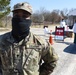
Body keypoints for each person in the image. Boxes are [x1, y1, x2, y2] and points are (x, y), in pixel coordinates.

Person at [0, 2, 58, 75]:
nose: (20, 19)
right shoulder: (1, 41)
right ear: (13, 17)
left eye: (24, 16)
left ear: (30, 19)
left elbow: (52, 61)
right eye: (17, 16)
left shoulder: (40, 42)